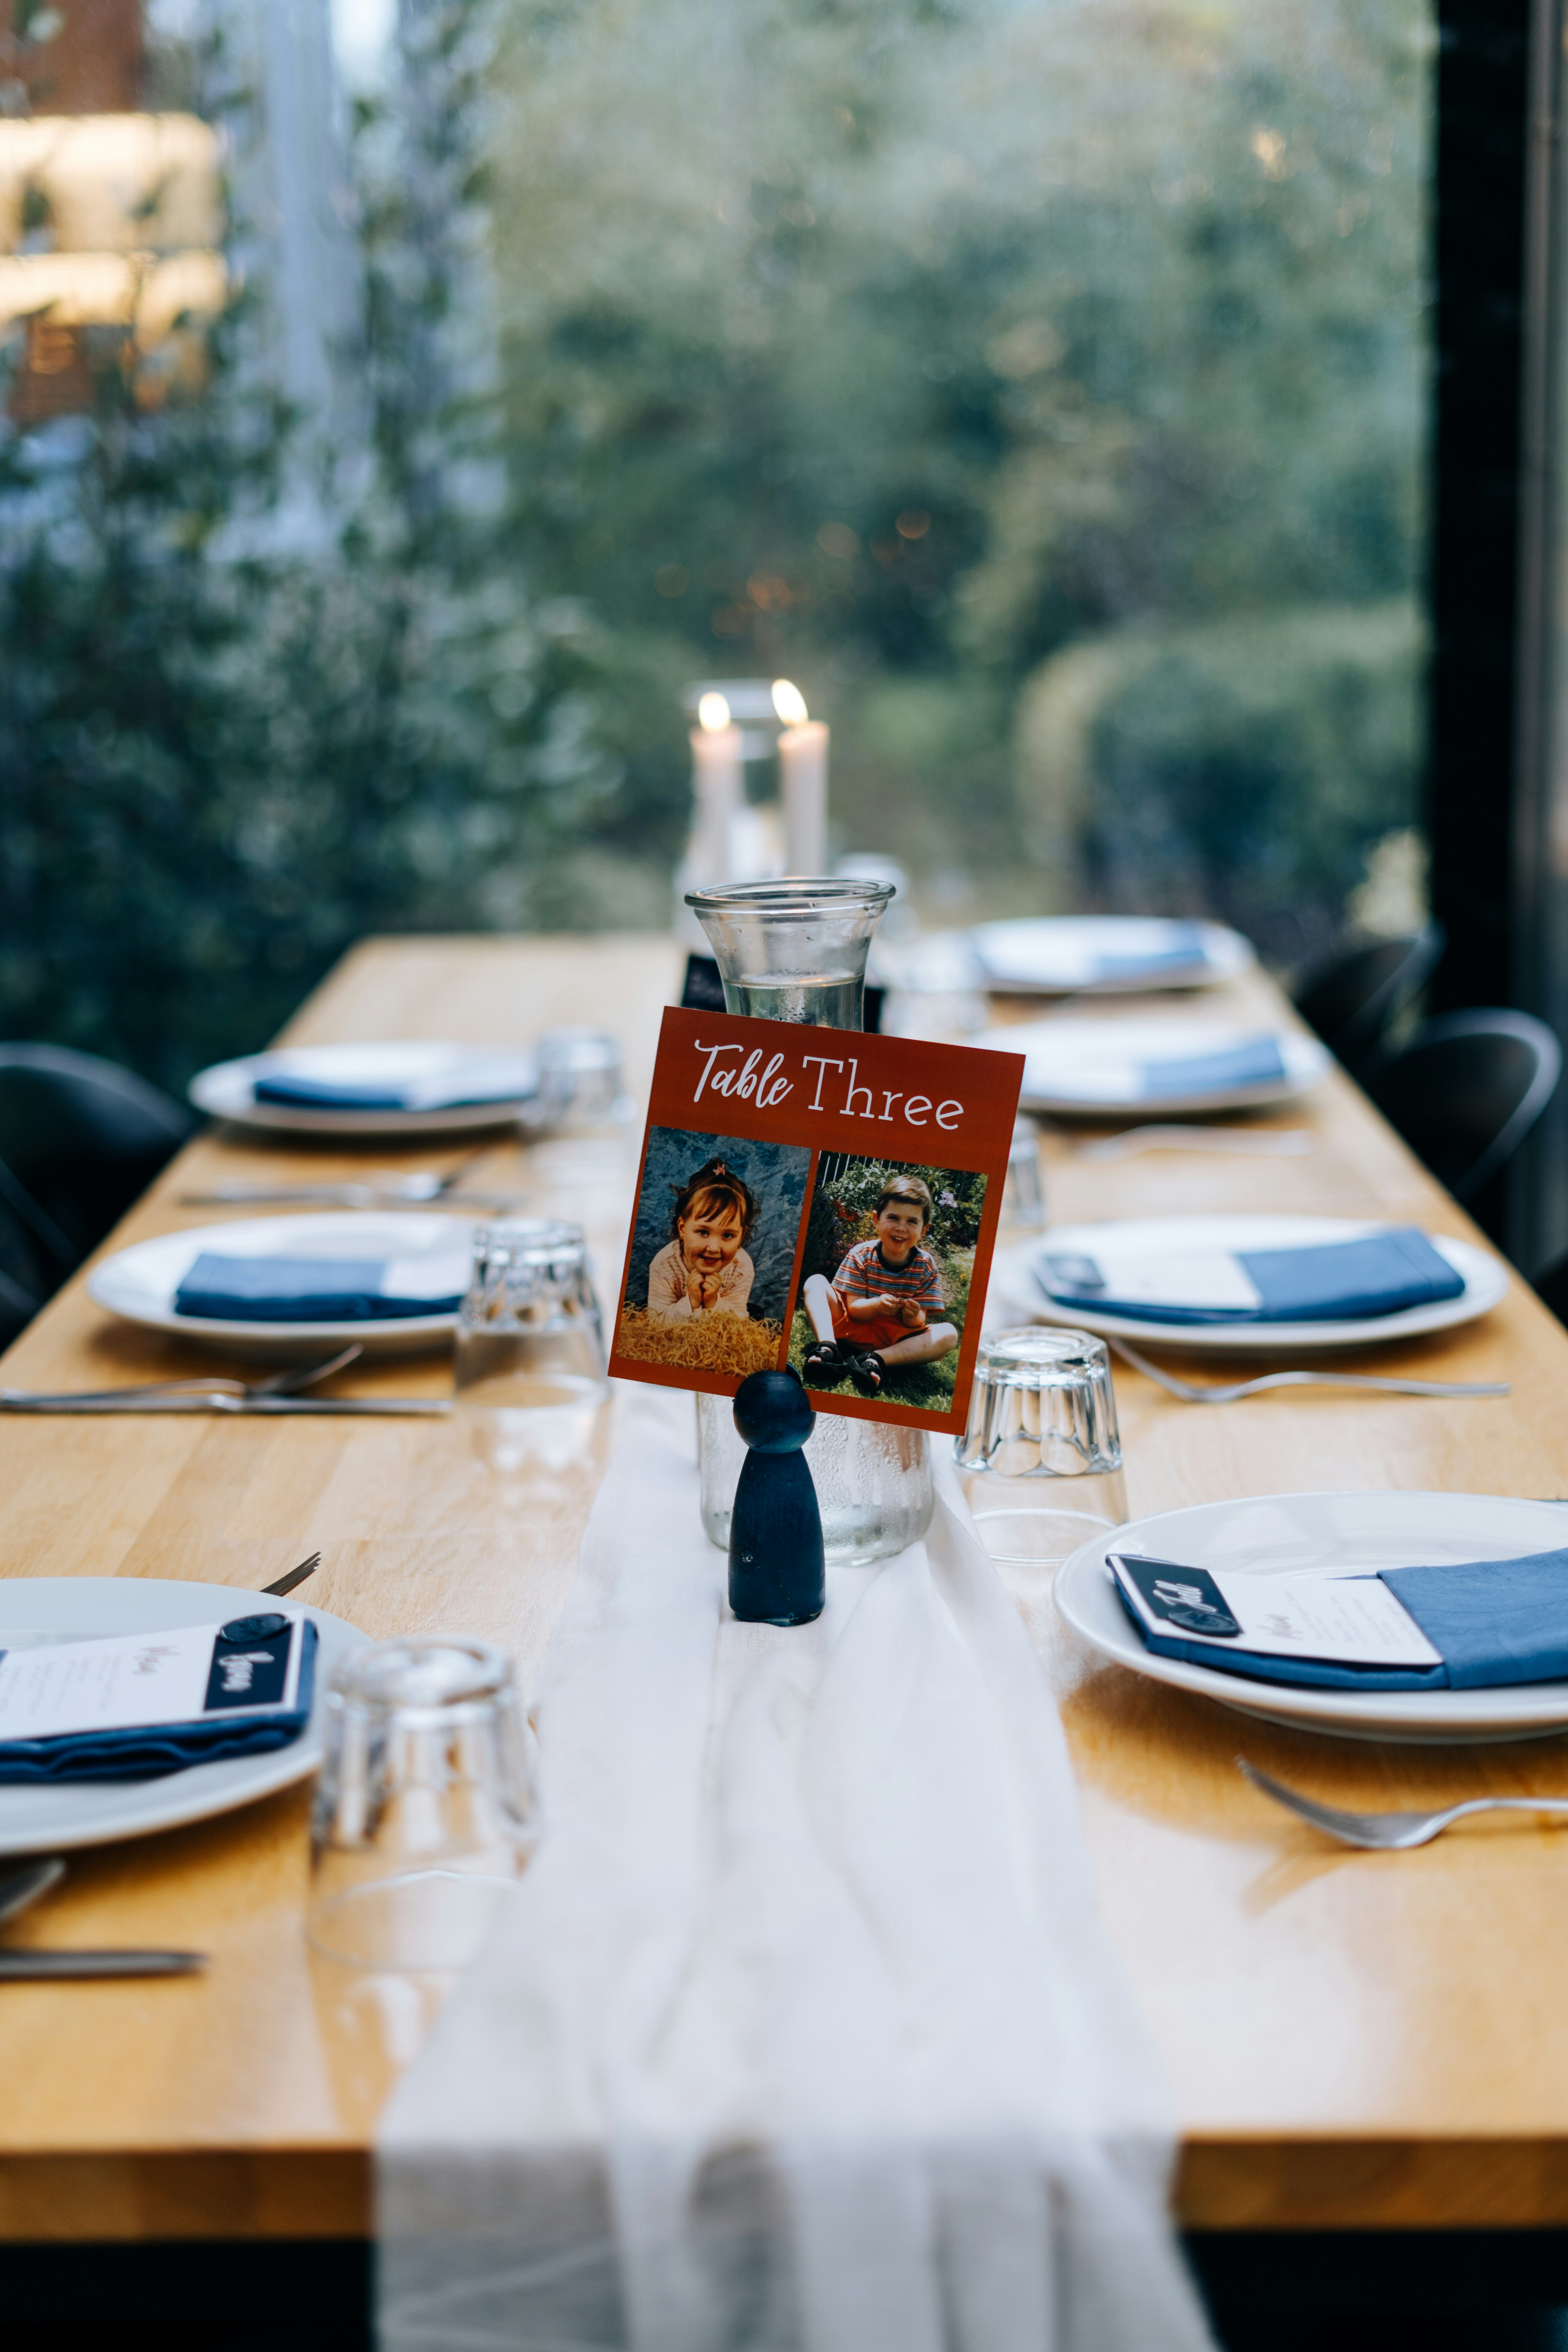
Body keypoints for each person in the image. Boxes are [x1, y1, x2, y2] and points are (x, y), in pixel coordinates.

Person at [801, 1173, 958, 1397]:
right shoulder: (862, 1254)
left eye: (912, 1221)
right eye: (893, 1218)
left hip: (895, 1338)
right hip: (852, 1327)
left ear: (924, 1230)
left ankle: (876, 1360)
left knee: (949, 1334)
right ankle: (828, 1348)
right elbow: (854, 1310)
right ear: (876, 1219)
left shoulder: (925, 1264)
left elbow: (919, 1321)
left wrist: (913, 1315)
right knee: (815, 1282)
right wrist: (877, 1305)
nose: (901, 1228)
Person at [645, 1156, 759, 1319]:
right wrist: (692, 1301)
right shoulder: (664, 1264)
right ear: (683, 1228)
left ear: (741, 1236)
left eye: (727, 1235)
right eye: (703, 1232)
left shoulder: (741, 1268)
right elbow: (655, 1323)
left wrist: (713, 1302)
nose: (713, 1248)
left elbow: (738, 1327)